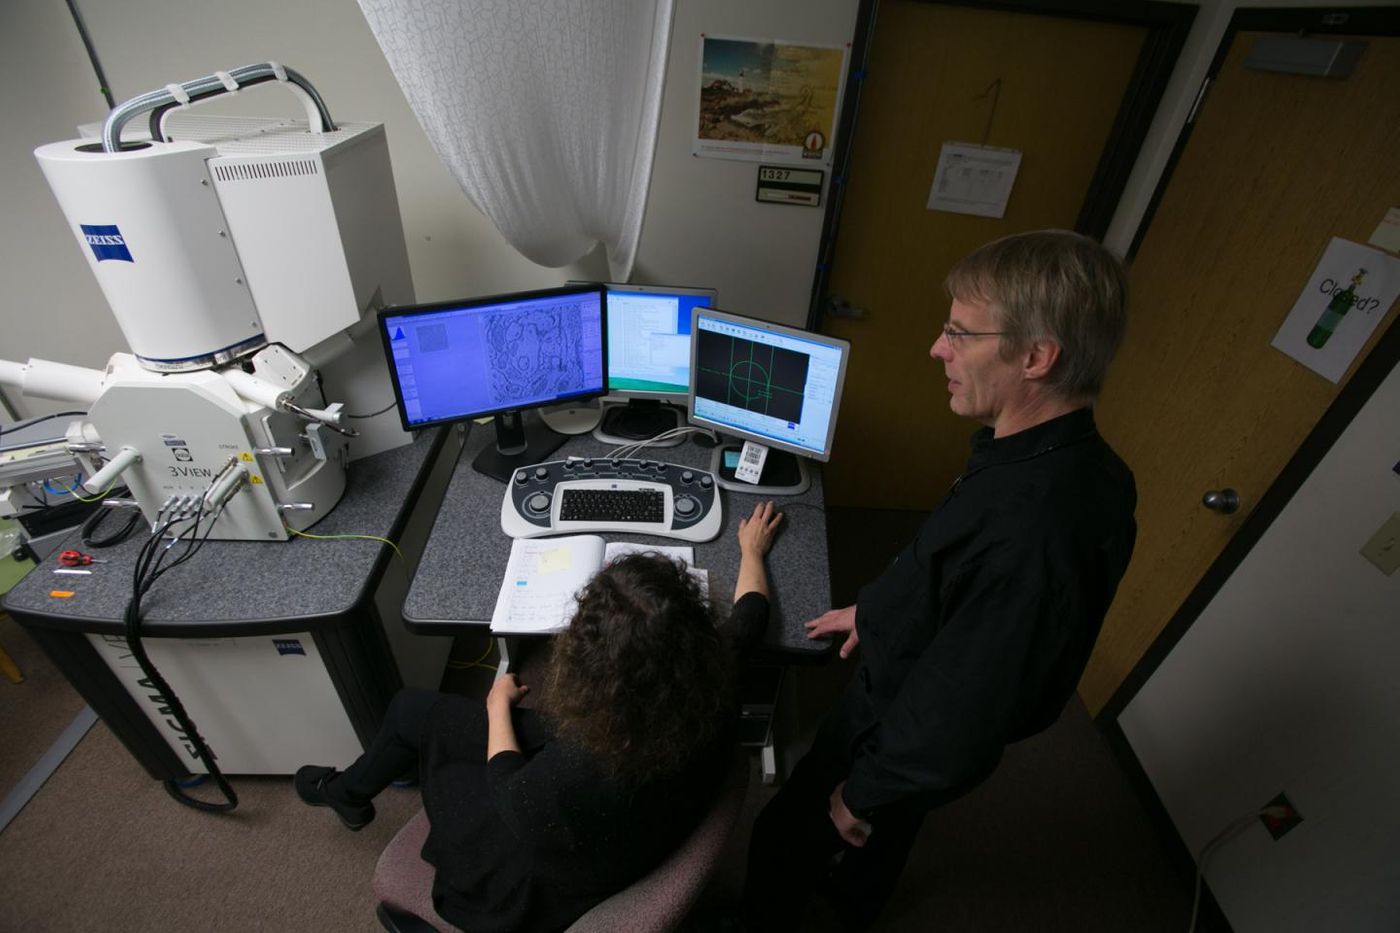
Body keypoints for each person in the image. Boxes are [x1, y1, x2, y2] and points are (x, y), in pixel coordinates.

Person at [742, 230, 1138, 930]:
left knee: (789, 840)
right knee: (870, 856)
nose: (936, 348)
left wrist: (861, 797)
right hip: (906, 688)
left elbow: (967, 704)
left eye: (960, 332)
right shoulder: (1052, 459)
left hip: (896, 726)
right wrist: (877, 609)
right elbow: (957, 576)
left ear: (1037, 356)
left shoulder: (1039, 531)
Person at [297, 501, 784, 933]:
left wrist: (496, 707)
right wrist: (751, 553)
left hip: (549, 872)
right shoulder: (720, 662)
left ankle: (346, 793)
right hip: (656, 797)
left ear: (593, 671)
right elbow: (752, 609)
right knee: (425, 718)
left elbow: (506, 781)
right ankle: (353, 788)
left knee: (412, 712)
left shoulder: (565, 778)